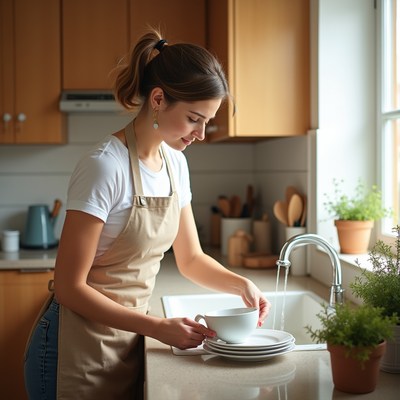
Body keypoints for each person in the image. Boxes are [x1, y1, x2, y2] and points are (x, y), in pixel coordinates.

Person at [24, 28, 271, 399]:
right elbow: (69, 288)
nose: (201, 133)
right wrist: (156, 327)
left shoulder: (175, 165)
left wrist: (241, 286)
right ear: (158, 99)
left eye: (208, 121)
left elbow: (190, 259)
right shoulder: (105, 166)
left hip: (127, 340)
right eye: (194, 118)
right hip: (73, 346)